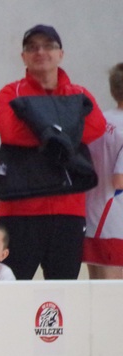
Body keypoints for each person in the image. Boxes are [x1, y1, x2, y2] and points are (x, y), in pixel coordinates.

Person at [0, 25, 106, 280]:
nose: (40, 52)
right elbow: (10, 132)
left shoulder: (79, 94)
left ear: (60, 54)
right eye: (32, 47)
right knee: (11, 290)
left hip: (68, 211)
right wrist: (65, 131)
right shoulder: (10, 92)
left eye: (48, 46)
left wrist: (39, 126)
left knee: (62, 292)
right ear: (23, 56)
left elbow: (96, 127)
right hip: (19, 210)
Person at [83, 63, 123, 279]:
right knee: (114, 293)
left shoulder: (99, 119)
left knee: (96, 289)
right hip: (116, 221)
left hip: (91, 215)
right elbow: (120, 181)